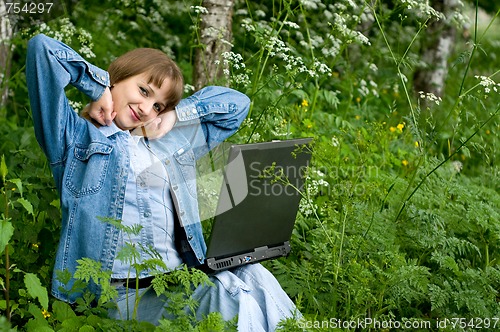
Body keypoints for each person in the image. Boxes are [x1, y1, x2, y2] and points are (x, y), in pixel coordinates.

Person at [26, 34, 298, 331]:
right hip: (119, 295)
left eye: (157, 106)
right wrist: (98, 88)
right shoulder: (73, 138)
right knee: (231, 298)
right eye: (143, 91)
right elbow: (43, 50)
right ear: (116, 78)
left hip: (178, 279)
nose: (146, 109)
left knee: (253, 275)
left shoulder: (168, 143)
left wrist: (176, 115)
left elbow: (238, 106)